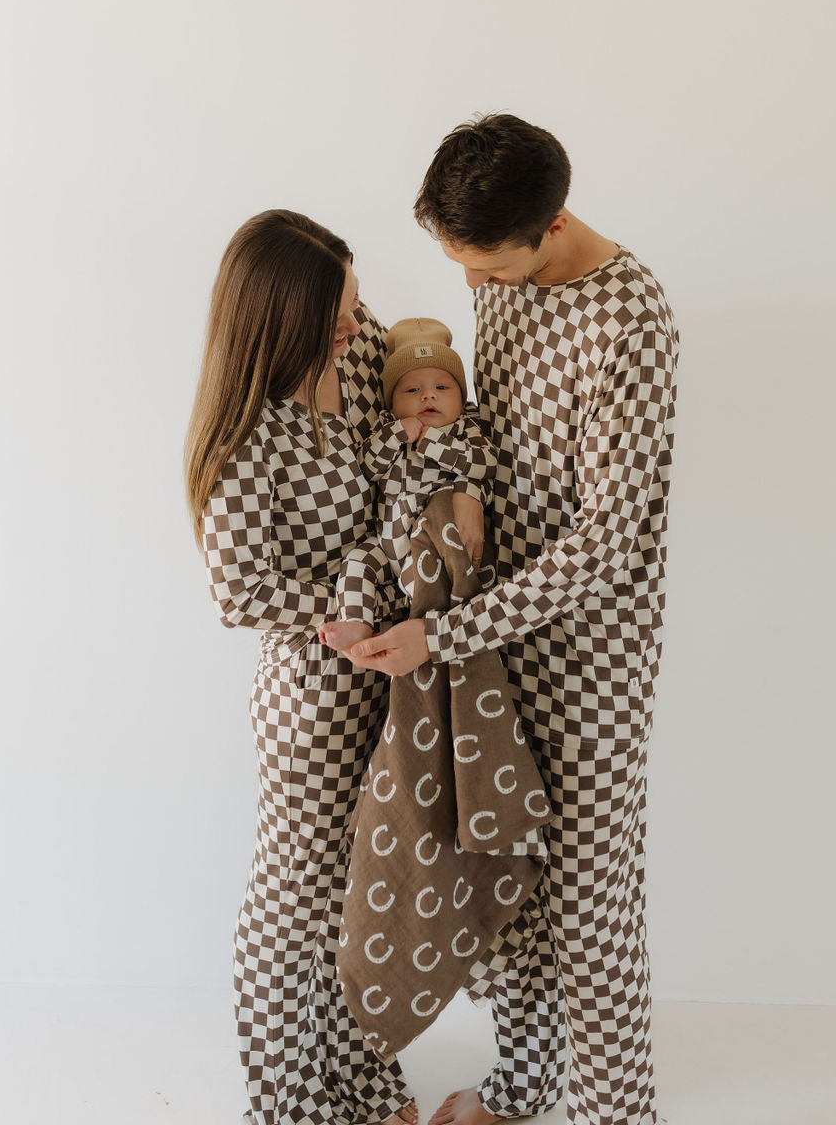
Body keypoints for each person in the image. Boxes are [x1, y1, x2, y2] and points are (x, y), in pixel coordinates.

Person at [322, 115, 679, 1125]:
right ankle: (517, 1093)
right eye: (457, 266)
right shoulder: (508, 288)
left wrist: (444, 634)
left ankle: (619, 1112)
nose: (472, 290)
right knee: (509, 882)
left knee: (593, 904)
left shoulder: (630, 320)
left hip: (589, 662)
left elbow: (607, 546)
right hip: (485, 647)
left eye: (484, 269)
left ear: (552, 223)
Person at [187, 210, 491, 1125]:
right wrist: (345, 613)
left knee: (359, 897)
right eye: (340, 319)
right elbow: (241, 595)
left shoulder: (358, 362)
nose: (361, 330)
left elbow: (424, 407)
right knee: (295, 901)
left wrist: (458, 484)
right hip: (316, 697)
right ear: (282, 324)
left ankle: (355, 1080)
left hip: (390, 684)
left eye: (356, 309)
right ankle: (288, 1102)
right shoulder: (247, 438)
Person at [331, 316, 496, 632]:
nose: (428, 396)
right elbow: (366, 467)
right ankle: (355, 623)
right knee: (354, 565)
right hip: (386, 539)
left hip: (433, 541)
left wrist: (435, 444)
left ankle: (443, 634)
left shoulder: (464, 427)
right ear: (392, 404)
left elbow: (485, 462)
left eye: (442, 387)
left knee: (437, 586)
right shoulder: (387, 427)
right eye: (412, 389)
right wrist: (395, 433)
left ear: (462, 399)